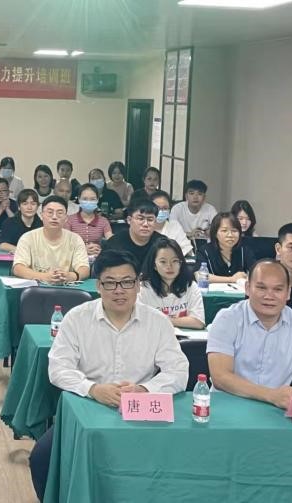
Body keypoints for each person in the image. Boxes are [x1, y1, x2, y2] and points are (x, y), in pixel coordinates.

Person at [32, 249, 189, 500]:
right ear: (98, 285)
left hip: (139, 409)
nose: (119, 290)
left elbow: (178, 370)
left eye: (127, 282)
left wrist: (145, 389)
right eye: (110, 283)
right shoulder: (77, 319)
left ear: (138, 285)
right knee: (41, 458)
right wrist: (93, 389)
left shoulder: (157, 322)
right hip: (87, 407)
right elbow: (58, 368)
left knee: (171, 460)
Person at [206, 260, 292, 409]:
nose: (269, 296)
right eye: (261, 288)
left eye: (278, 289)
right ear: (247, 288)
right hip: (228, 407)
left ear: (288, 293)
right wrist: (271, 395)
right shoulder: (227, 319)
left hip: (276, 410)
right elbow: (221, 377)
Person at [12, 196, 90, 284]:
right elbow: (18, 268)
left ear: (66, 218)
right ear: (41, 215)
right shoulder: (27, 238)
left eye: (60, 213)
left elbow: (84, 268)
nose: (54, 217)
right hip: (36, 288)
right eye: (50, 212)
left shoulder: (75, 239)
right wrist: (43, 277)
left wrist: (71, 276)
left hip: (66, 288)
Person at [139, 238, 205, 329]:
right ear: (154, 265)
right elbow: (141, 321)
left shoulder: (190, 286)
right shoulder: (143, 289)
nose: (169, 266)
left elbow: (198, 322)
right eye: (163, 262)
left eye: (175, 261)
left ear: (181, 263)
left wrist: (165, 320)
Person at [103, 200, 165, 271]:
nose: (145, 224)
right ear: (129, 220)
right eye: (140, 219)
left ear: (155, 222)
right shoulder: (114, 243)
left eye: (150, 220)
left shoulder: (162, 243)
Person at [195, 212, 256, 283]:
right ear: (215, 233)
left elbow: (256, 273)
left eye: (234, 231)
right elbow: (199, 276)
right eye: (224, 231)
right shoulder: (205, 251)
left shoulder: (244, 250)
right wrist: (231, 279)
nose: (230, 235)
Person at [64, 184, 113, 259]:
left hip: (98, 259)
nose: (88, 202)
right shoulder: (69, 220)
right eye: (85, 199)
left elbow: (111, 241)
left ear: (97, 200)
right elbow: (65, 243)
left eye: (92, 199)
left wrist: (102, 251)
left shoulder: (103, 221)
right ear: (79, 199)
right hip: (75, 258)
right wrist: (83, 249)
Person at [149, 190, 192, 256]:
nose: (161, 211)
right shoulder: (144, 226)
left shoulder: (175, 226)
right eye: (157, 208)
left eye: (165, 208)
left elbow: (187, 249)